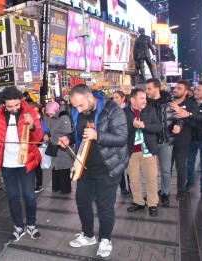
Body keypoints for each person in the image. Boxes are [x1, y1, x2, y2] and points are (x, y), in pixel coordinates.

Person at [58, 84, 128, 258]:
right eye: (75, 107)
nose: (78, 110)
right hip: (85, 166)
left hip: (108, 166)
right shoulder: (77, 112)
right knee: (82, 201)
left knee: (104, 206)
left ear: (90, 98)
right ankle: (88, 235)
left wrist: (98, 135)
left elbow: (121, 137)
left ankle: (105, 239)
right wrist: (69, 137)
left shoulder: (112, 109)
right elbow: (78, 132)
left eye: (81, 105)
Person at [0, 87, 43, 242]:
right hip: (7, 163)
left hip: (26, 161)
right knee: (12, 197)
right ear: (3, 104)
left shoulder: (29, 112)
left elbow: (39, 136)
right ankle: (19, 226)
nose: (14, 108)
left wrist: (31, 126)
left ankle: (31, 224)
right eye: (10, 106)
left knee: (29, 196)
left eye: (16, 105)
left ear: (20, 101)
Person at [124, 89, 162, 217]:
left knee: (151, 179)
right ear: (132, 99)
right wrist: (132, 126)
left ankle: (152, 204)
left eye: (145, 98)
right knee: (133, 180)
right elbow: (120, 131)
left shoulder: (150, 110)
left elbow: (158, 127)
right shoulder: (123, 112)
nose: (145, 100)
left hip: (148, 150)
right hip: (131, 152)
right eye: (141, 98)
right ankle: (138, 202)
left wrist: (143, 126)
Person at [146, 78, 182, 207]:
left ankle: (165, 193)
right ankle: (151, 194)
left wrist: (178, 125)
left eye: (149, 89)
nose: (147, 91)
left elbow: (179, 117)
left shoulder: (169, 102)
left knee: (166, 170)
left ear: (157, 88)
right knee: (149, 171)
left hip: (166, 141)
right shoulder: (145, 103)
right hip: (149, 141)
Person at [174, 81, 202, 200]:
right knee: (189, 162)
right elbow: (186, 120)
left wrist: (188, 114)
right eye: (195, 89)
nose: (195, 91)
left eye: (199, 90)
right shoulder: (190, 101)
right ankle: (190, 181)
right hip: (191, 138)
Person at [169, 80, 198, 200]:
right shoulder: (169, 102)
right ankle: (165, 189)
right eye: (175, 87)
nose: (175, 89)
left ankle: (181, 190)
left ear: (186, 91)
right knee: (166, 167)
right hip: (167, 139)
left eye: (179, 88)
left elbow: (195, 122)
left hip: (183, 141)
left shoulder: (191, 104)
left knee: (180, 166)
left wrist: (181, 112)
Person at [44, 101, 73, 194]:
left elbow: (67, 133)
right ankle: (56, 187)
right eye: (48, 114)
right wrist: (47, 134)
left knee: (63, 168)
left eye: (51, 114)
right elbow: (48, 128)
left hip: (62, 147)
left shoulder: (64, 118)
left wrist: (53, 138)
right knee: (56, 168)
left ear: (56, 111)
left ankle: (65, 189)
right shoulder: (51, 117)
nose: (50, 116)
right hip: (54, 146)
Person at [112, 91, 130, 195]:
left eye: (117, 97)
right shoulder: (111, 111)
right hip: (117, 142)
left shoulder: (128, 110)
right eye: (113, 98)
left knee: (130, 166)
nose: (114, 100)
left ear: (123, 99)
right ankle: (123, 187)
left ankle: (132, 187)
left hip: (128, 141)